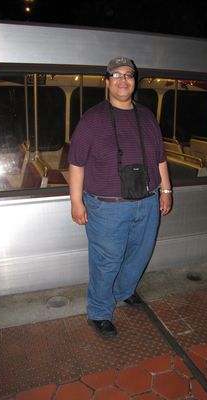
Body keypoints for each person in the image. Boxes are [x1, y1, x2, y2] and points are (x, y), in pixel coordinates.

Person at [68, 56, 172, 338]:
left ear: (134, 81)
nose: (122, 80)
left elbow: (160, 158)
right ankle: (99, 312)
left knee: (139, 255)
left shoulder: (147, 116)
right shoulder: (92, 119)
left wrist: (166, 190)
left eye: (128, 75)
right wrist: (76, 201)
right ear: (107, 82)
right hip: (106, 207)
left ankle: (125, 291)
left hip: (148, 201)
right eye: (116, 75)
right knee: (107, 261)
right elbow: (76, 162)